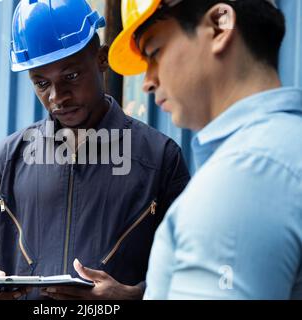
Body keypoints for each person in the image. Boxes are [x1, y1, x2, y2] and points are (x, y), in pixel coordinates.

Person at [0, 0, 190, 300]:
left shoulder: (159, 160)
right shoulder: (7, 160)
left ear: (101, 59)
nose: (58, 97)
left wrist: (132, 297)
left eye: (71, 77)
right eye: (41, 83)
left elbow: (188, 278)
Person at [109, 0, 302, 299]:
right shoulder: (286, 146)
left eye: (154, 52)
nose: (147, 82)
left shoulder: (243, 177)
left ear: (218, 26)